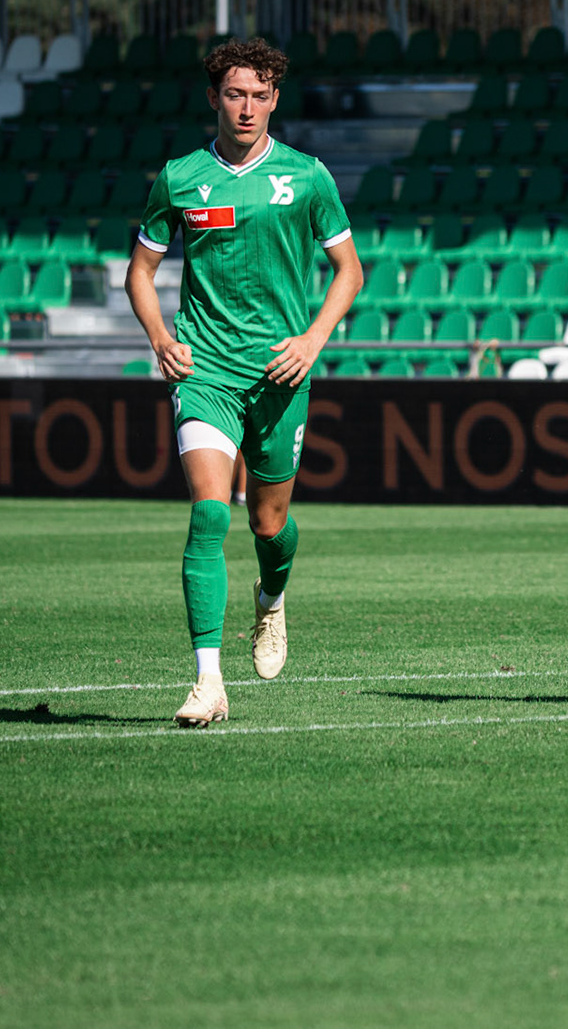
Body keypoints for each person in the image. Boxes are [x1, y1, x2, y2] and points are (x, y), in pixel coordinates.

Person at [126, 38, 364, 727]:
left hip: (281, 374)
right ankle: (208, 681)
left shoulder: (307, 177)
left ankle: (271, 599)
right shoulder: (179, 178)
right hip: (206, 371)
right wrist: (163, 340)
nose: (248, 107)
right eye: (235, 94)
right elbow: (140, 271)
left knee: (270, 522)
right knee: (209, 512)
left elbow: (349, 270)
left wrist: (313, 342)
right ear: (213, 98)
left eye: (261, 95)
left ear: (276, 100)